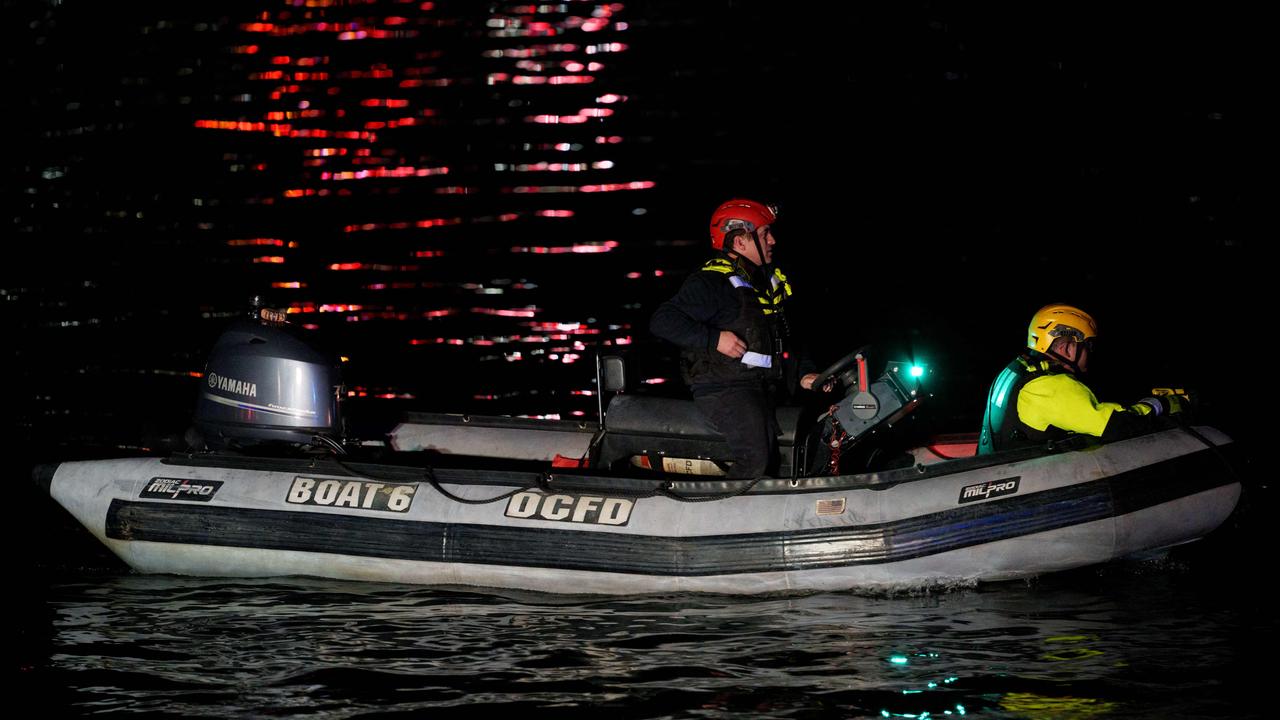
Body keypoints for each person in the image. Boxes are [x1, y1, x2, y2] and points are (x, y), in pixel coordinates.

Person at [649, 198, 820, 478]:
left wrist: (805, 373)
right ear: (740, 242)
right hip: (724, 389)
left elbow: (788, 339)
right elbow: (662, 320)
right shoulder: (711, 283)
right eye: (765, 234)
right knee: (756, 458)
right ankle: (716, 514)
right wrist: (714, 339)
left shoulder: (765, 282)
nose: (773, 241)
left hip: (759, 386)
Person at [977, 303, 1190, 455]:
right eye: (1088, 347)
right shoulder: (1052, 386)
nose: (1090, 354)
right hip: (1025, 479)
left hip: (1001, 466)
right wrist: (1159, 404)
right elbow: (1119, 426)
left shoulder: (1016, 370)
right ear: (1067, 348)